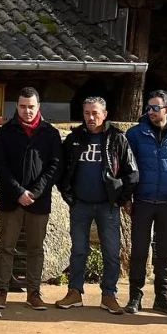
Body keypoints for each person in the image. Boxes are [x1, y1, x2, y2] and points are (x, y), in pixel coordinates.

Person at [55, 96, 138, 314]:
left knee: (111, 252)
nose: (91, 118)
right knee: (78, 250)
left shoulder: (117, 138)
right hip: (80, 205)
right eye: (87, 113)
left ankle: (109, 295)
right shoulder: (74, 139)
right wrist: (68, 196)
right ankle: (74, 292)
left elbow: (132, 172)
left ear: (105, 114)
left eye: (95, 113)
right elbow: (62, 170)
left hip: (107, 206)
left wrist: (121, 198)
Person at [0, 87, 61, 311]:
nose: (27, 111)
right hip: (11, 200)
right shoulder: (5, 132)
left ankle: (34, 293)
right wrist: (18, 192)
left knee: (35, 249)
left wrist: (36, 191)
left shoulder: (50, 133)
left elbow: (55, 166)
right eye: (22, 106)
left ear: (38, 107)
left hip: (38, 202)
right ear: (17, 107)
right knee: (6, 247)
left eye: (31, 107)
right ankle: (1, 291)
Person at [124, 89, 167, 316]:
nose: (150, 111)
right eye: (149, 107)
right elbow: (127, 168)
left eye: (155, 107)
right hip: (142, 200)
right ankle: (135, 296)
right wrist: (127, 197)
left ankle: (162, 298)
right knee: (139, 250)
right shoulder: (135, 134)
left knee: (165, 252)